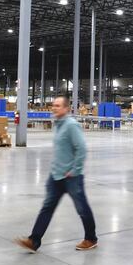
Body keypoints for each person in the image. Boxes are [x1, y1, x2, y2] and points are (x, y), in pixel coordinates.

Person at [15, 95, 98, 252]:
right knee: (47, 207)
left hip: (71, 177)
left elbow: (81, 149)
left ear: (66, 108)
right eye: (53, 105)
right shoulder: (58, 125)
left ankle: (91, 238)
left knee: (82, 208)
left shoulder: (71, 125)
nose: (54, 108)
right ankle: (34, 240)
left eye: (58, 105)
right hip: (56, 175)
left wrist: (75, 170)